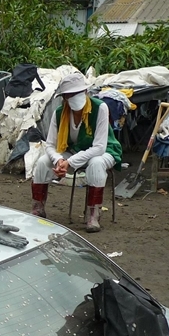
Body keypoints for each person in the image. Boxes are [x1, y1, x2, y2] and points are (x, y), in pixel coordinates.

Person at [31, 72, 122, 232]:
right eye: (69, 95)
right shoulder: (59, 113)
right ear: (64, 97)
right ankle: (38, 208)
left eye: (76, 93)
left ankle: (93, 214)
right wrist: (59, 160)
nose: (73, 97)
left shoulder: (100, 108)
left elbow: (99, 147)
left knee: (96, 163)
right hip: (72, 152)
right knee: (42, 163)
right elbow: (51, 145)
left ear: (85, 92)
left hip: (105, 151)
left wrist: (69, 162)